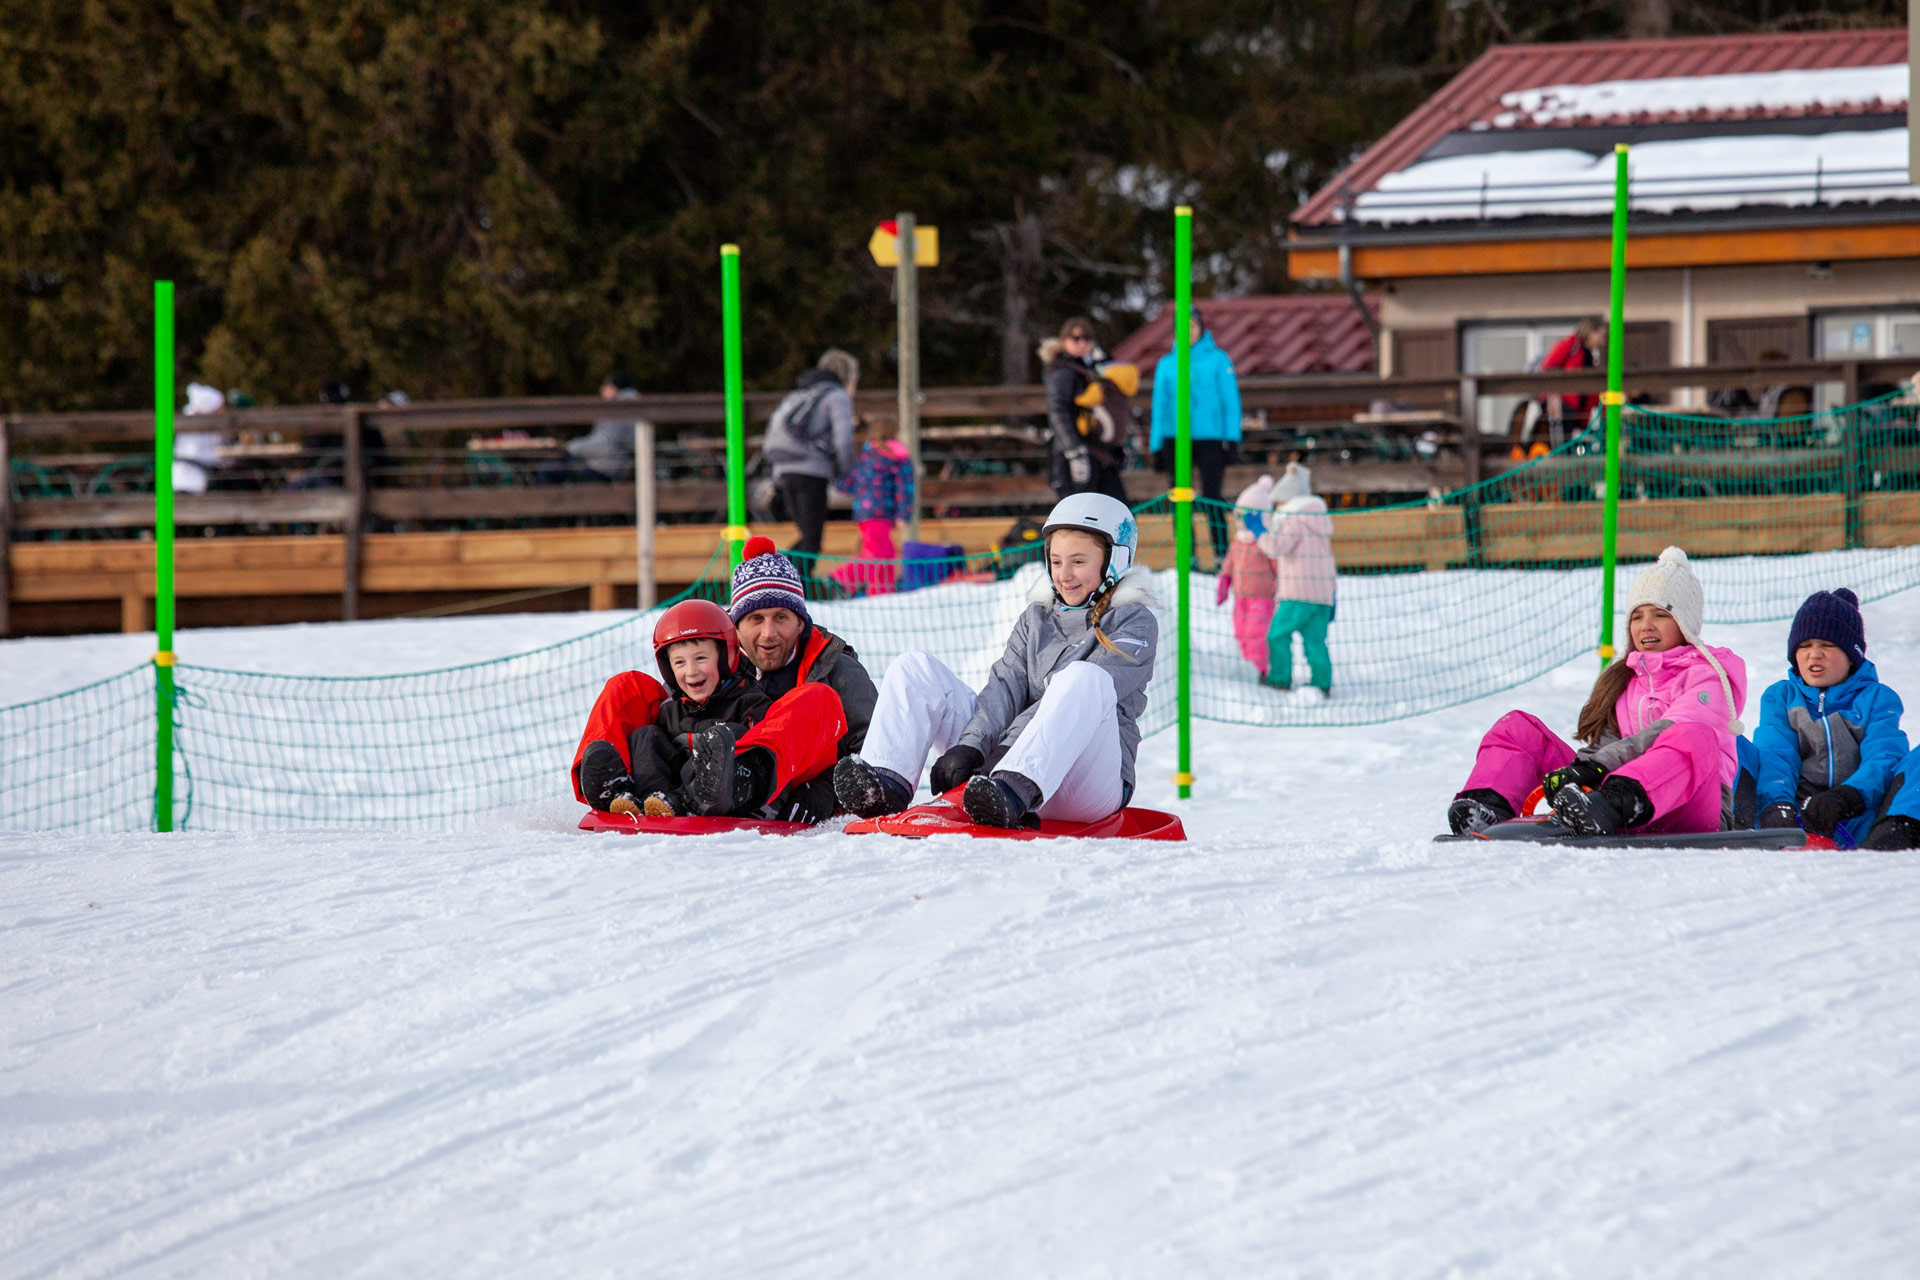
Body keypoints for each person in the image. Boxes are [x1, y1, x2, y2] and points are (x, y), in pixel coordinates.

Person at [832, 492, 1158, 829]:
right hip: (1000, 772)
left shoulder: (1134, 622)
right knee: (914, 667)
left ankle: (1012, 788)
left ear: (1114, 561)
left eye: (1078, 562)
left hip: (1084, 788)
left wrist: (1004, 753)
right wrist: (972, 747)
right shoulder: (1036, 618)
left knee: (1083, 678)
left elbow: (1068, 698)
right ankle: (885, 784)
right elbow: (1006, 686)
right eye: (1056, 562)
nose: (1064, 575)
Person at [1447, 546, 1747, 838]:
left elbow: (1669, 730)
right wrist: (1580, 772)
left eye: (1661, 615)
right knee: (1518, 727)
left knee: (1693, 734)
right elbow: (1604, 747)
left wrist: (1595, 767)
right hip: (1609, 800)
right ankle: (1487, 808)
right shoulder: (1627, 683)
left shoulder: (1710, 677)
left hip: (1690, 806)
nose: (1646, 626)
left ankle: (1613, 804)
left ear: (1686, 624)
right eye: (1637, 616)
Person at [570, 587, 854, 823]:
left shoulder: (828, 670)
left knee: (815, 697)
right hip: (668, 795)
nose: (768, 633)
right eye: (755, 619)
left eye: (781, 618)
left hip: (743, 791)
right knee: (637, 712)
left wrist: (823, 791)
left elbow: (857, 749)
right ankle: (617, 792)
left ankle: (734, 783)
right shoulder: (674, 704)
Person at [574, 600, 773, 817]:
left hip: (726, 801)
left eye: (701, 658)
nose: (691, 671)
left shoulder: (750, 703)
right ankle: (636, 800)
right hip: (668, 799)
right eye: (680, 663)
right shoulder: (671, 709)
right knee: (645, 735)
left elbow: (765, 767)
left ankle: (685, 802)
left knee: (729, 735)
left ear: (727, 657)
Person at [1752, 588, 1910, 847]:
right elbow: (1775, 753)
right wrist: (1777, 806)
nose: (1814, 654)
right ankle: (1739, 826)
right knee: (1733, 746)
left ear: (1852, 656)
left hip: (1858, 815)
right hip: (1792, 819)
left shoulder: (1877, 698)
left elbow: (1884, 755)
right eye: (1804, 646)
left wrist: (1848, 797)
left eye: (1827, 645)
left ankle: (1896, 834)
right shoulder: (1780, 697)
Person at [1150, 306, 1242, 562]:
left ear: (1200, 328)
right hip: (1175, 437)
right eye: (1183, 327)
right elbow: (1159, 405)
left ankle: (1222, 553)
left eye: (1192, 326)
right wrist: (1156, 444)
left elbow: (1230, 401)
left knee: (1213, 495)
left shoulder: (1218, 359)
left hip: (1209, 436)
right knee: (1180, 496)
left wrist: (1232, 438)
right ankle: (1187, 554)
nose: (1188, 331)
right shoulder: (1167, 363)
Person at [762, 349, 859, 560]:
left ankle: (783, 579)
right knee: (812, 542)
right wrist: (849, 473)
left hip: (783, 473)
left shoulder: (798, 394)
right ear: (848, 377)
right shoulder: (837, 396)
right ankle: (783, 581)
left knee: (808, 538)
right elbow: (843, 440)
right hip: (812, 474)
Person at [1258, 461, 1335, 699]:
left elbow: (1277, 547)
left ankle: (1280, 678)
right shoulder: (1319, 520)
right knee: (1315, 641)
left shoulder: (1294, 520)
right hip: (1322, 595)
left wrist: (1259, 531)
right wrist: (1333, 595)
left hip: (1297, 593)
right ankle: (1322, 683)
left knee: (1277, 635)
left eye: (1279, 503)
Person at [1042, 319, 1128, 505]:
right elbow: (1058, 410)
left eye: (1087, 338)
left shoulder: (1095, 368)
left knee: (1116, 508)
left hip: (1100, 451)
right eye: (1076, 338)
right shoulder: (1062, 371)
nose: (1082, 343)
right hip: (1074, 451)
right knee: (1079, 512)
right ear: (1064, 341)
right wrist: (1073, 448)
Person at [830, 415, 915, 596]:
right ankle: (841, 578)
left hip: (863, 511)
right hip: (881, 512)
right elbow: (905, 486)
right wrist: (903, 514)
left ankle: (881, 592)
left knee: (886, 552)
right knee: (878, 552)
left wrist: (838, 478)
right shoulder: (898, 455)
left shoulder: (868, 456)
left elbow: (850, 483)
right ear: (895, 433)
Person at [1215, 474, 1277, 681]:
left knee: (1257, 634)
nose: (1242, 521)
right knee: (1241, 632)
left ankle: (1260, 669)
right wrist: (1224, 581)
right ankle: (1247, 667)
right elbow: (1229, 563)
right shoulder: (1238, 542)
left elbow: (1278, 564)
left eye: (1247, 515)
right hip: (1240, 598)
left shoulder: (1265, 541)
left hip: (1262, 597)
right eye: (1239, 515)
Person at [560, 370, 640, 482]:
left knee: (548, 469)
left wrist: (572, 447)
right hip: (616, 465)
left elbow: (605, 443)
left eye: (605, 385)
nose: (601, 390)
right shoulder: (633, 406)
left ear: (615, 388)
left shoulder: (617, 408)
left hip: (607, 467)